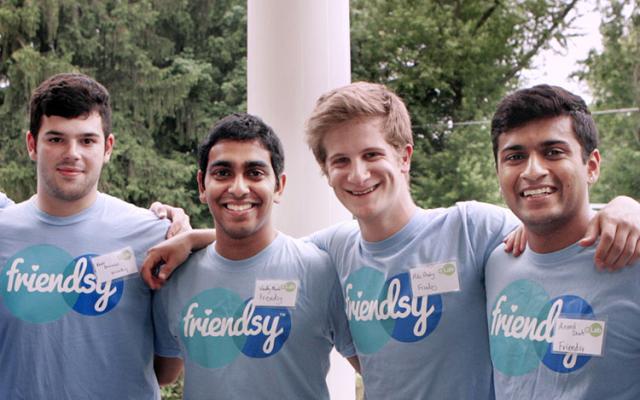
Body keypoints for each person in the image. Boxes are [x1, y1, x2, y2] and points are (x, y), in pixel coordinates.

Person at [142, 82, 640, 399]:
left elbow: (550, 217)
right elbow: (261, 243)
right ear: (325, 171)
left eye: (372, 154)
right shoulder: (331, 251)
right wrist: (194, 239)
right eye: (340, 161)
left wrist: (624, 207)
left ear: (404, 156)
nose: (358, 174)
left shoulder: (471, 228)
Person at [0, 72, 183, 399]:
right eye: (56, 139)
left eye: (87, 140)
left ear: (107, 147)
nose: (72, 153)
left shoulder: (155, 235)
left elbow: (167, 369)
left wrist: (195, 237)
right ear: (31, 144)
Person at [152, 113, 357, 399]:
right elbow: (163, 373)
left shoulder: (319, 270)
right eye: (223, 173)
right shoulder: (174, 277)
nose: (238, 188)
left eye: (255, 173)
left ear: (279, 186)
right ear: (202, 185)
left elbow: (379, 371)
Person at [485, 85, 640, 399]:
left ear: (591, 166)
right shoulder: (496, 263)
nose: (533, 171)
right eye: (515, 156)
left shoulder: (631, 260)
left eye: (553, 152)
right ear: (499, 171)